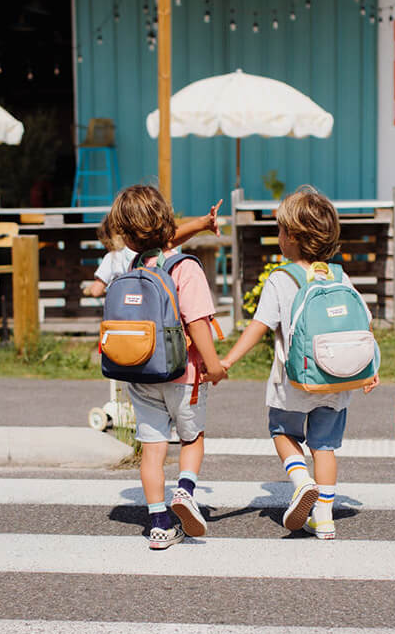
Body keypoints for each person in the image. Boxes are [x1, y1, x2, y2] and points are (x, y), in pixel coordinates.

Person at [220, 186, 379, 540]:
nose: (278, 237)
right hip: (336, 378)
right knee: (325, 447)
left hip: (293, 381)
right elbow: (362, 324)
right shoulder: (339, 277)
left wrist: (226, 361)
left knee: (283, 433)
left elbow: (258, 328)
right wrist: (370, 369)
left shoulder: (281, 278)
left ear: (291, 236)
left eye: (279, 230)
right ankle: (324, 518)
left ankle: (300, 479)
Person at [105, 185, 227, 550]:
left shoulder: (133, 266)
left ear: (127, 236)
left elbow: (155, 239)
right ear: (168, 221)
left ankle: (159, 523)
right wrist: (215, 365)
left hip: (140, 374)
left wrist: (202, 224)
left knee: (153, 449)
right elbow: (198, 323)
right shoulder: (185, 267)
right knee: (192, 438)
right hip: (183, 374)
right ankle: (186, 491)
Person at [84, 199, 223, 297]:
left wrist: (90, 290)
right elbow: (169, 240)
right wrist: (202, 223)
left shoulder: (125, 256)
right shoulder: (170, 259)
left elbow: (96, 290)